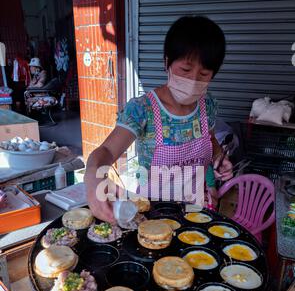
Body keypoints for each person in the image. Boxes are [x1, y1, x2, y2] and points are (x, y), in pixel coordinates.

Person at [85, 15, 233, 223]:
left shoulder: (206, 106)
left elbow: (209, 140)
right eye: (185, 70)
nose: (193, 81)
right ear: (166, 62)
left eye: (204, 74)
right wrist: (93, 175)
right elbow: (107, 151)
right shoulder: (142, 109)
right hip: (152, 215)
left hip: (197, 210)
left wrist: (219, 158)